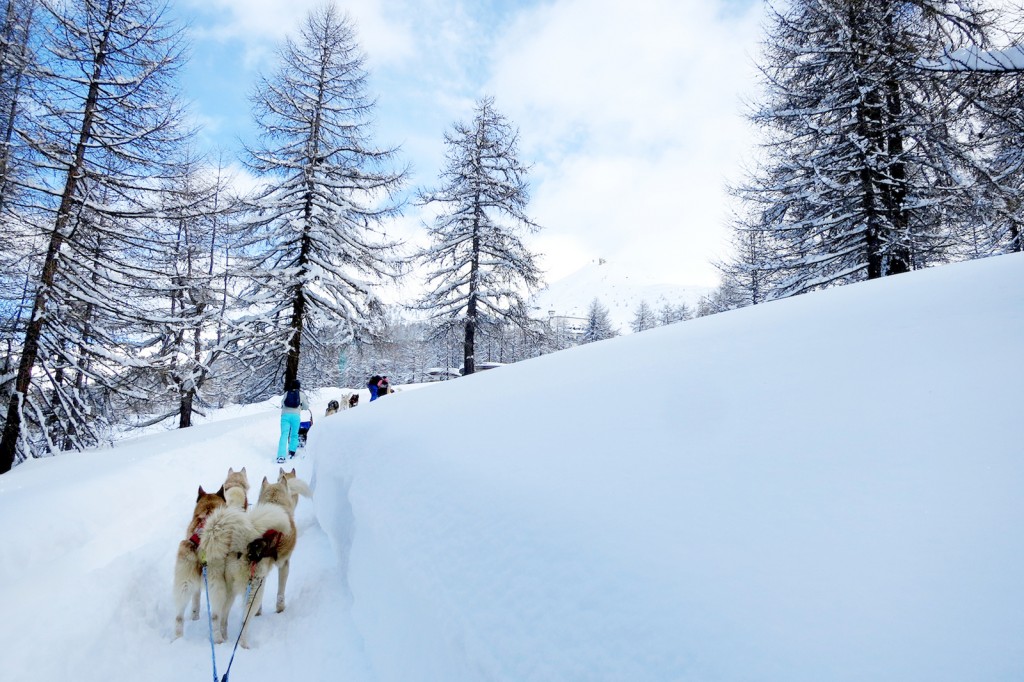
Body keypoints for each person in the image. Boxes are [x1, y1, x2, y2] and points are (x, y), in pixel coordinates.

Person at [278, 379, 310, 463]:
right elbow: (306, 407)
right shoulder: (301, 394)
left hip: (285, 416)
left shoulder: (287, 393)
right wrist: (300, 408)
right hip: (296, 416)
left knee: (284, 435)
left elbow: (282, 403)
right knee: (294, 434)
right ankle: (291, 452)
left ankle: (281, 456)